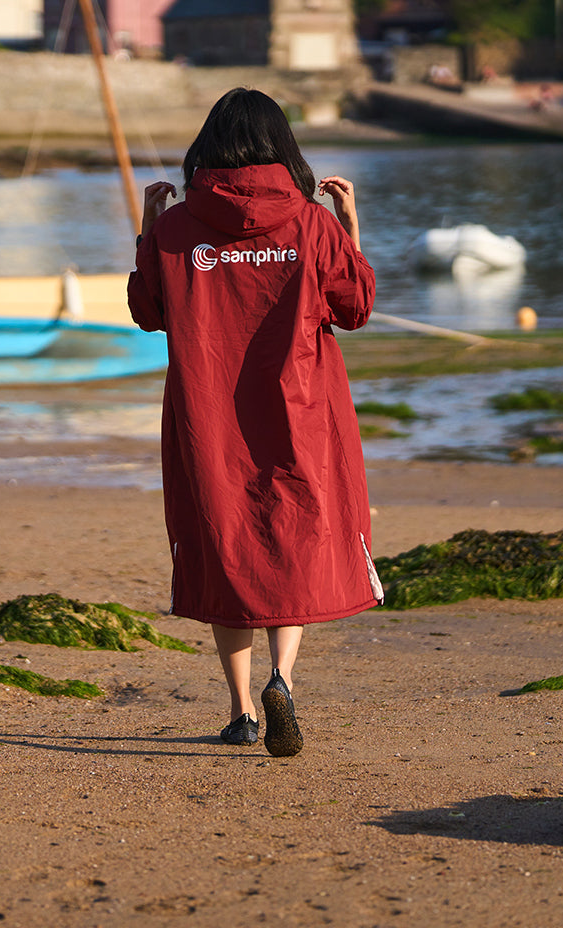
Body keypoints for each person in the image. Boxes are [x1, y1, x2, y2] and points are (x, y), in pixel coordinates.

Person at [127, 88, 383, 755]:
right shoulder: (310, 221)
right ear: (281, 145)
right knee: (291, 536)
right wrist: (350, 223)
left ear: (209, 146)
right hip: (300, 407)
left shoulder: (179, 228)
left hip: (204, 412)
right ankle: (282, 680)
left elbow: (148, 311)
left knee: (225, 543)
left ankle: (241, 711)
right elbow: (353, 308)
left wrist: (149, 228)